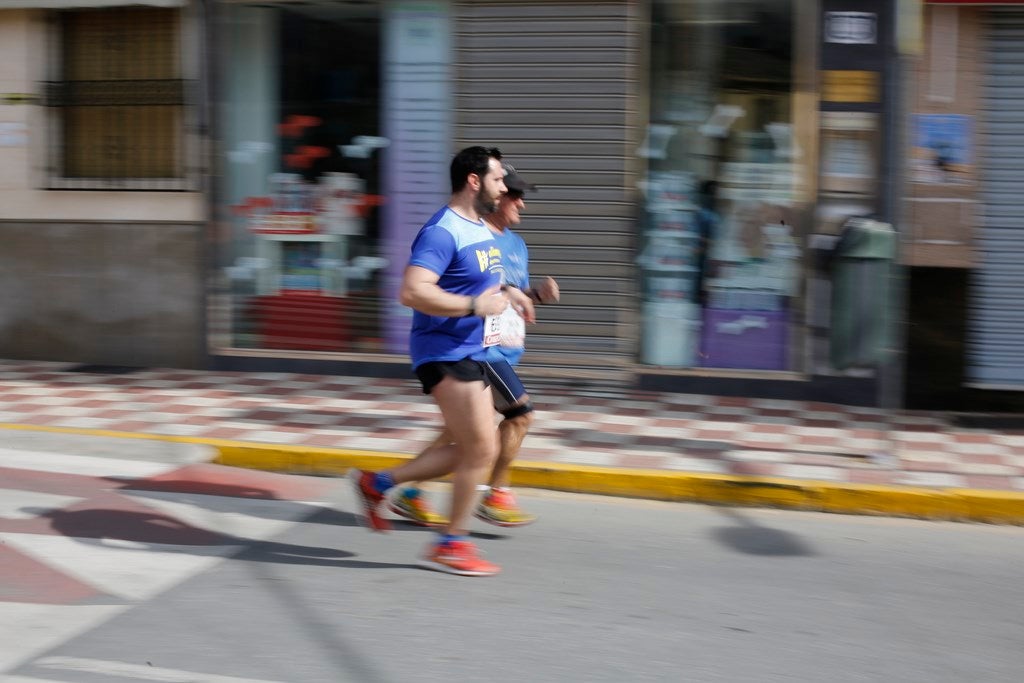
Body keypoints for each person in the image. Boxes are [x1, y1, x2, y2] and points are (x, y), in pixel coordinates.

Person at [348, 145, 511, 577]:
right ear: (473, 181)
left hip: (470, 349)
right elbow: (412, 291)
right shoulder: (443, 230)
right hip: (442, 351)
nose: (504, 187)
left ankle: (378, 483)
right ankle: (452, 544)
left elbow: (482, 286)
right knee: (481, 448)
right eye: (497, 179)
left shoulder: (480, 228)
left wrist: (516, 297)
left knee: (476, 449)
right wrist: (475, 307)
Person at [388, 165, 559, 529]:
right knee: (520, 413)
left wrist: (534, 296)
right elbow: (439, 290)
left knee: (458, 433)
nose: (520, 204)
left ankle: (407, 490)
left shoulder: (516, 244)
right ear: (493, 195)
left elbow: (508, 295)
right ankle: (494, 494)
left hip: (501, 347)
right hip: (476, 349)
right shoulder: (468, 234)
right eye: (514, 194)